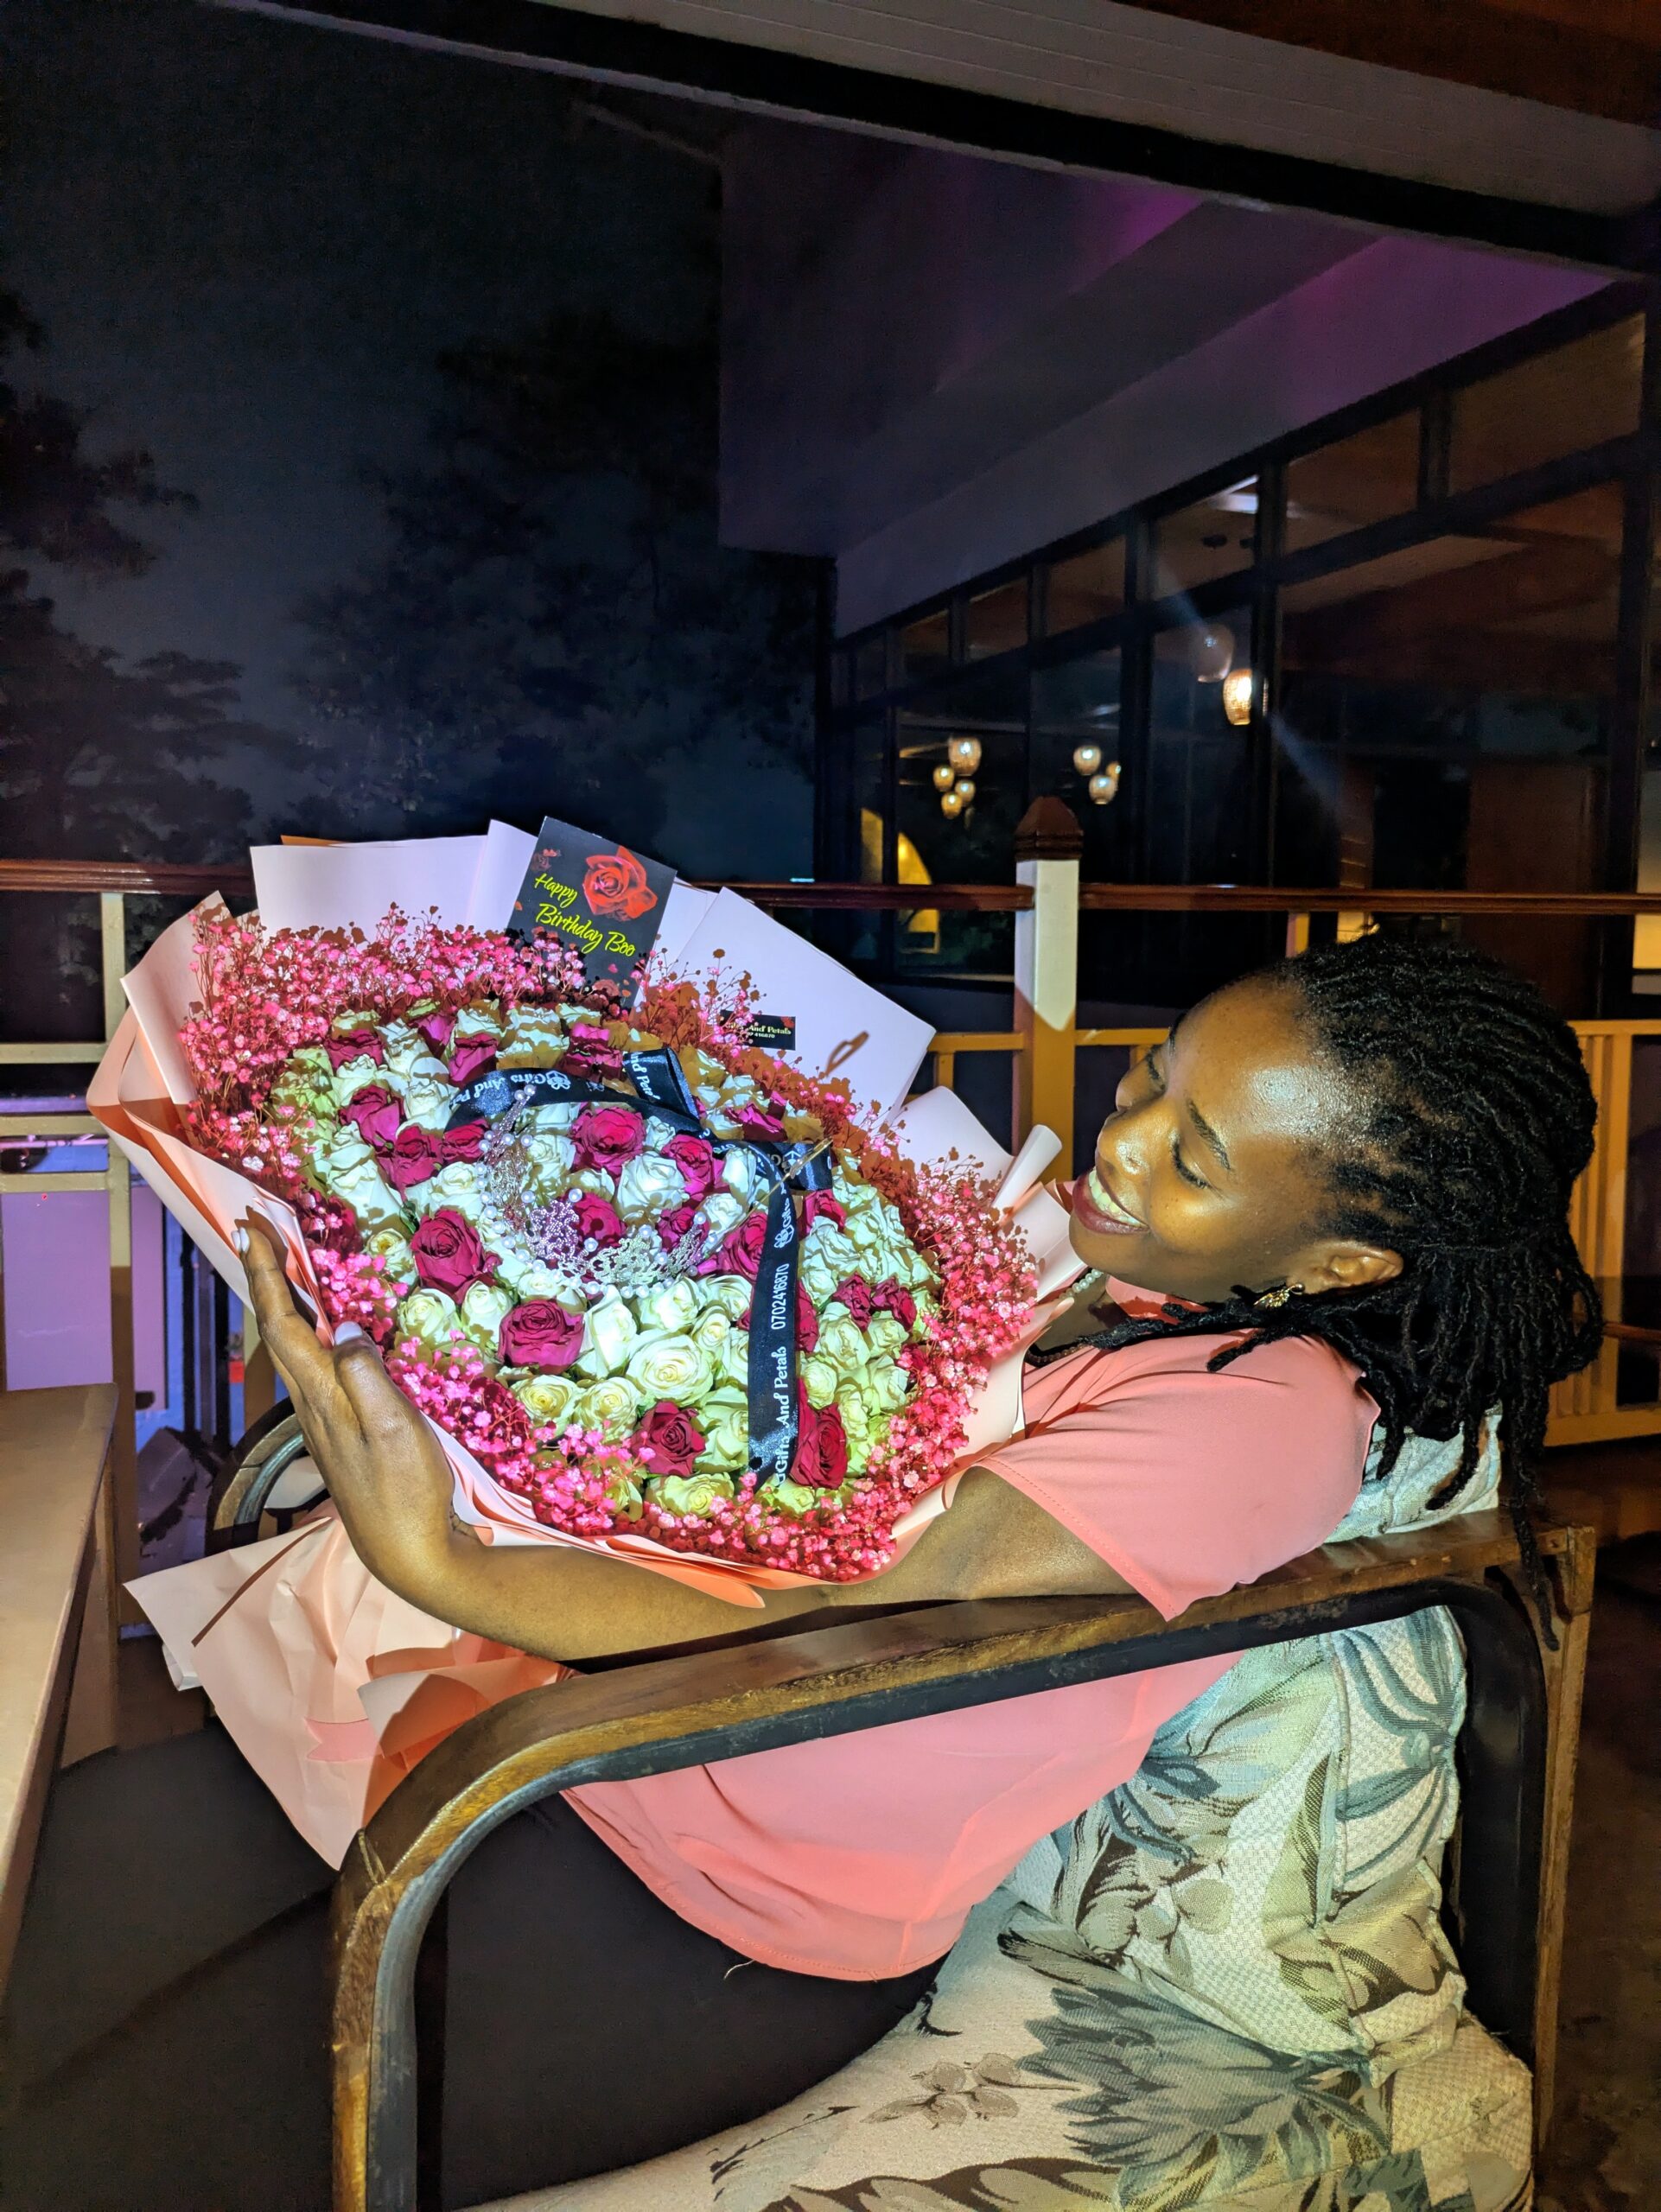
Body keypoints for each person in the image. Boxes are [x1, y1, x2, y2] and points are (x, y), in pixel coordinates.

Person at [0, 931, 1601, 2209]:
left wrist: (436, 1551)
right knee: (68, 1877)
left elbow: (853, 1595)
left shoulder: (1266, 1417)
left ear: (1341, 1260)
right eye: (1150, 1077)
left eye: (1194, 1156)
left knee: (114, 2134)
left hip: (719, 1921)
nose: (1120, 1142)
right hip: (564, 1771)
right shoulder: (1129, 1295)